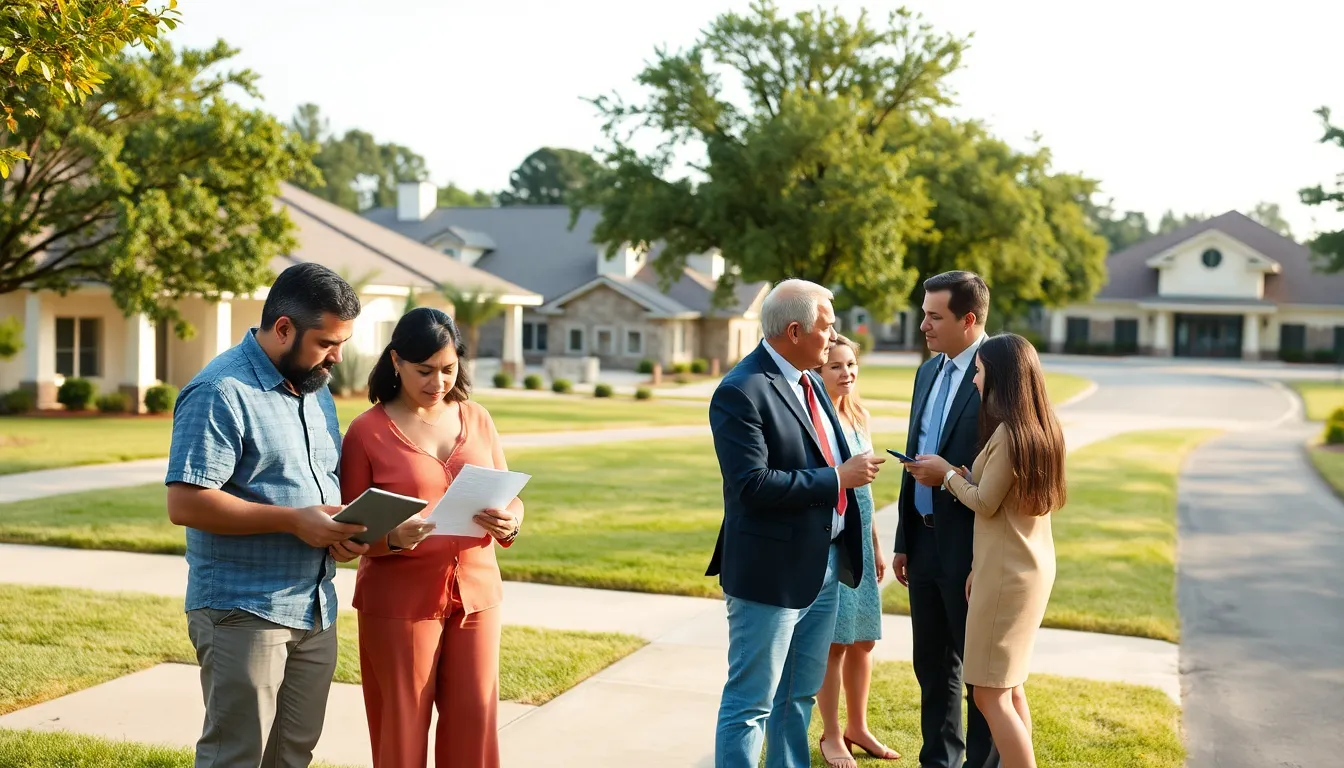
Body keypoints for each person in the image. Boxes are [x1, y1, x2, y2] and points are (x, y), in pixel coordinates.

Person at [164, 262, 365, 768]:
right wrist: (294, 520)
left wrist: (339, 532)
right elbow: (184, 503)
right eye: (327, 343)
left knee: (292, 754)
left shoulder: (316, 391)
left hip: (315, 607)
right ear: (283, 329)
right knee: (237, 756)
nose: (337, 357)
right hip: (243, 610)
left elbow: (316, 486)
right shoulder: (220, 391)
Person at [708, 278, 887, 768]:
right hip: (770, 572)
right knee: (752, 704)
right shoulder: (739, 391)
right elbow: (752, 485)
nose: (834, 338)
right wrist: (837, 479)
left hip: (826, 566)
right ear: (794, 331)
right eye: (827, 328)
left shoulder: (811, 380)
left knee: (797, 699)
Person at [337, 306, 524, 768]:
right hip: (399, 604)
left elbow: (508, 493)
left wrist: (511, 519)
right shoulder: (366, 432)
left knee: (474, 727)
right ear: (396, 361)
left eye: (448, 369)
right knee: (400, 729)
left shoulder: (477, 418)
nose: (438, 382)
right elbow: (346, 533)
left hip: (477, 598)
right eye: (425, 370)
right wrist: (393, 538)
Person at [913, 333, 1063, 768]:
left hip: (1006, 575)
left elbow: (984, 502)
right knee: (1010, 687)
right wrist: (963, 475)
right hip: (1023, 565)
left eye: (978, 372)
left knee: (988, 694)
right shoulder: (1041, 430)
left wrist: (945, 476)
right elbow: (1000, 496)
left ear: (998, 376)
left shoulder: (1010, 435)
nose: (974, 380)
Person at [893, 270, 1001, 768]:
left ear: (969, 319)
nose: (924, 326)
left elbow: (1007, 475)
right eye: (924, 314)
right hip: (924, 541)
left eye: (935, 317)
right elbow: (916, 458)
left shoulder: (998, 375)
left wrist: (987, 558)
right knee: (932, 668)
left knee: (980, 674)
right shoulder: (927, 371)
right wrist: (903, 538)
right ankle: (938, 762)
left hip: (974, 548)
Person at [814, 335, 900, 767]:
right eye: (836, 367)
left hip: (862, 538)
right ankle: (831, 736)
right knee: (835, 643)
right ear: (818, 371)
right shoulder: (813, 419)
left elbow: (865, 493)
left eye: (851, 365)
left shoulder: (858, 415)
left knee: (863, 640)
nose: (846, 373)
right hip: (833, 541)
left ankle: (857, 727)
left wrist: (876, 544)